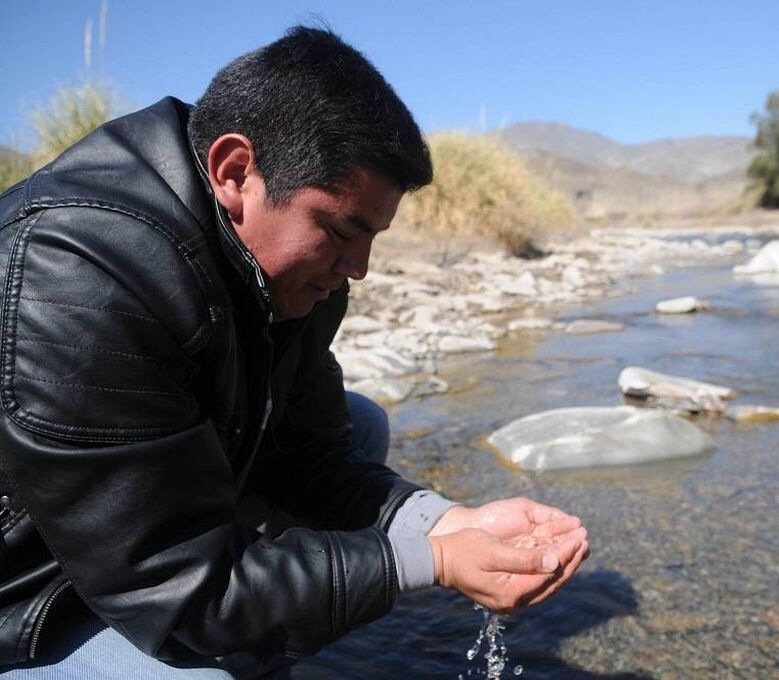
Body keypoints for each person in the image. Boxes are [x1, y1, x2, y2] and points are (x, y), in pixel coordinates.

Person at [0, 25, 588, 677]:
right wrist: (432, 563)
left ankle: (264, 612)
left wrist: (442, 522)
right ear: (234, 171)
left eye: (373, 238)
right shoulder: (80, 276)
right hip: (24, 585)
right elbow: (173, 594)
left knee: (360, 424)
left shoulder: (287, 269)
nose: (358, 269)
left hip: (126, 526)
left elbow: (304, 447)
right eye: (341, 230)